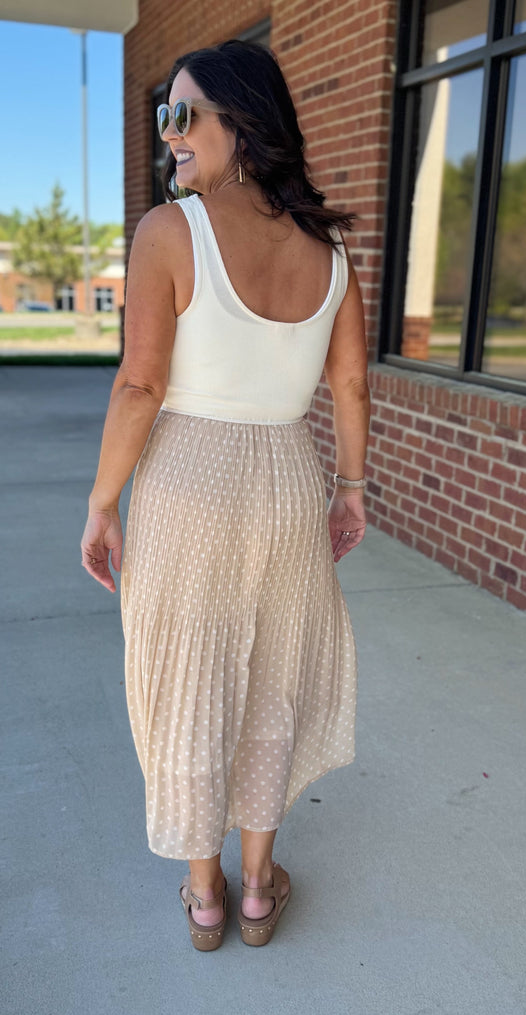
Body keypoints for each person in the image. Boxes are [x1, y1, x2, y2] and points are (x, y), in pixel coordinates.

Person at [80, 39, 370, 951]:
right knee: (271, 676)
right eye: (162, 114)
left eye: (183, 114)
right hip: (288, 475)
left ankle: (204, 895)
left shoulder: (170, 231)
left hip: (187, 478)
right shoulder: (328, 249)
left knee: (189, 681)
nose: (168, 132)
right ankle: (257, 887)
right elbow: (350, 386)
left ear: (240, 121)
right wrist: (350, 489)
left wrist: (101, 503)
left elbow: (139, 385)